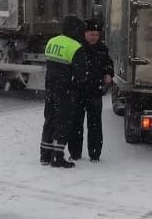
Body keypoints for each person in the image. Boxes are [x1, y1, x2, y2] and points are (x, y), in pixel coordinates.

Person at [39, 15, 91, 168]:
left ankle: (45, 155)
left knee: (49, 120)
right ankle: (57, 157)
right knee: (62, 123)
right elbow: (81, 74)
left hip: (50, 88)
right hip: (66, 91)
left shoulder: (52, 41)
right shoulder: (75, 47)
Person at [69, 18, 114, 162]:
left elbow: (108, 64)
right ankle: (75, 153)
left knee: (95, 124)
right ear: (85, 34)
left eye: (96, 34)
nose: (94, 37)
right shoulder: (77, 47)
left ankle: (95, 154)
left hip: (95, 91)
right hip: (77, 90)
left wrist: (108, 73)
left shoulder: (102, 49)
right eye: (91, 34)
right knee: (76, 123)